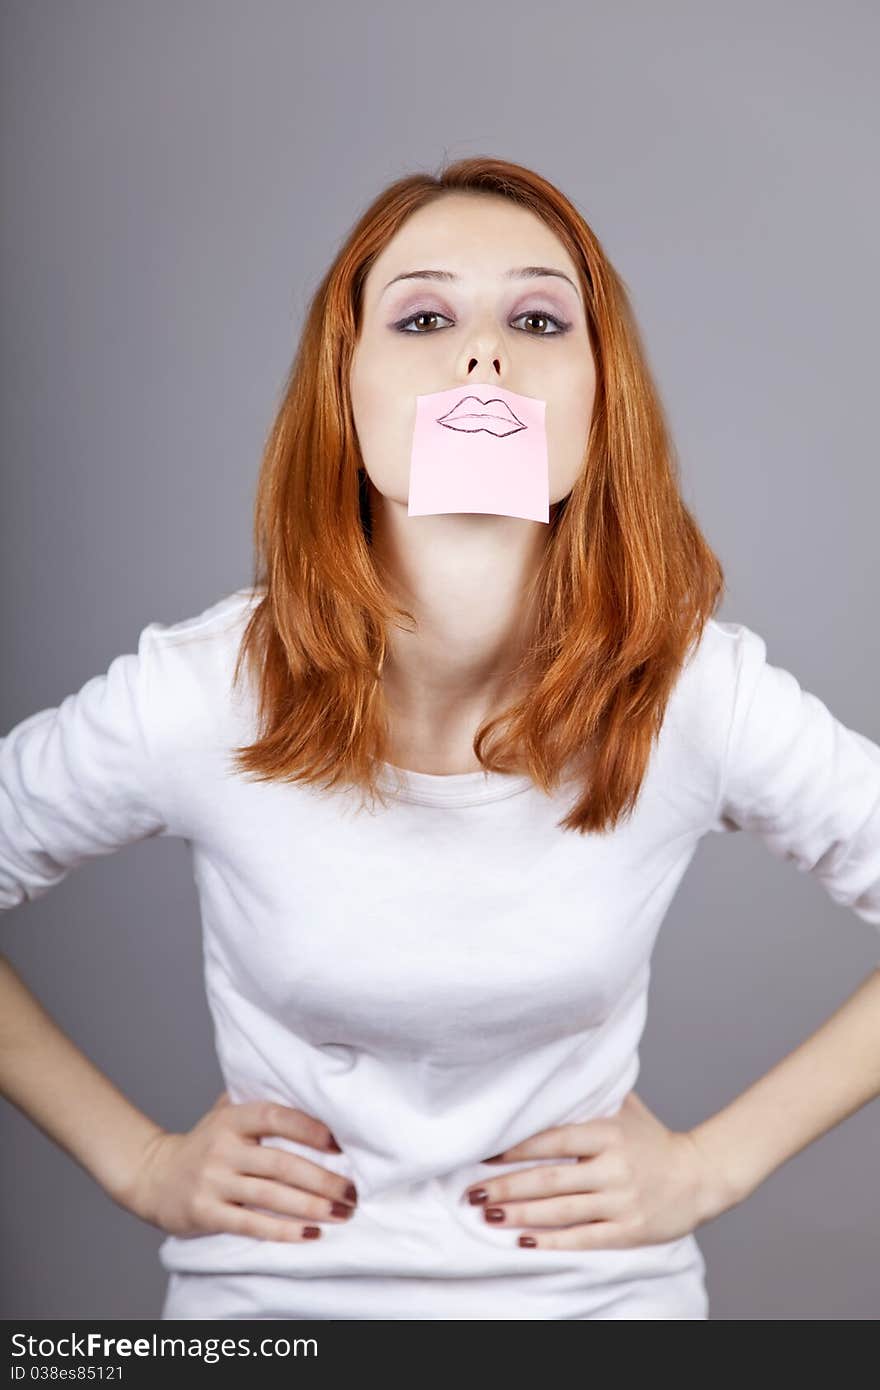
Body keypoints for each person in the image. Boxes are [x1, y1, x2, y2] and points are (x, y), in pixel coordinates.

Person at [2, 157, 879, 1322]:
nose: (482, 356)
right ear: (344, 388)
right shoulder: (202, 691)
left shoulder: (691, 692)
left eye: (534, 317)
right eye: (423, 316)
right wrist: (139, 1162)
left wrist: (712, 1165)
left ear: (599, 396)